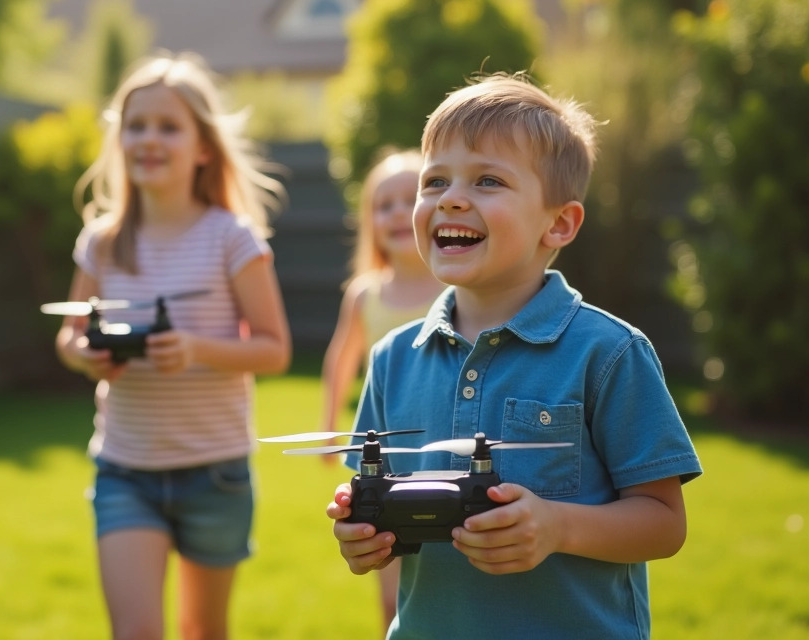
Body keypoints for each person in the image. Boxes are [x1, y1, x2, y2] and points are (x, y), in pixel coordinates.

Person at [326, 76, 702, 639]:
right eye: (435, 181)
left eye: (487, 180)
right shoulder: (391, 359)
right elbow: (379, 511)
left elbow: (664, 523)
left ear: (559, 223)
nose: (450, 198)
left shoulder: (609, 353)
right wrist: (364, 536)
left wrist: (557, 527)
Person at [55, 51, 291, 640]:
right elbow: (69, 333)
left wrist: (196, 350)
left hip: (214, 472)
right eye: (136, 126)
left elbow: (274, 350)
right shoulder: (102, 241)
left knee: (202, 632)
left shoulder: (232, 238)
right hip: (125, 470)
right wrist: (85, 356)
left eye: (168, 126)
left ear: (203, 147)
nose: (148, 139)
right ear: (119, 141)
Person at [319, 149, 445, 634]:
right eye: (382, 203)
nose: (395, 212)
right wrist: (332, 428)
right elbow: (340, 360)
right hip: (389, 465)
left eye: (406, 198)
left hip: (446, 452)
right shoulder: (365, 294)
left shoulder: (455, 289)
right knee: (392, 596)